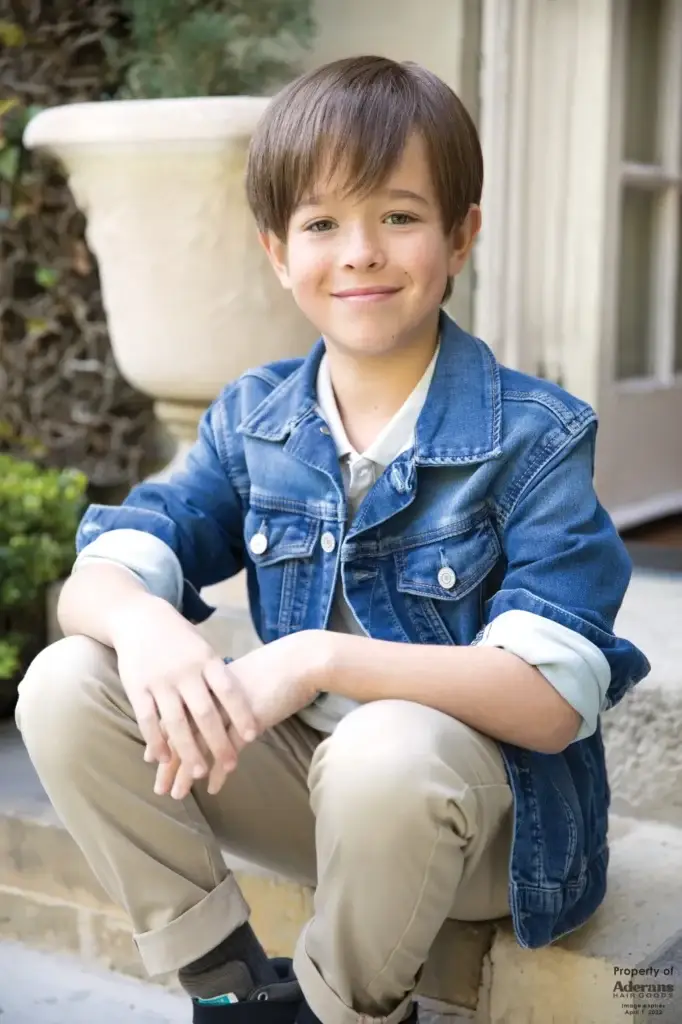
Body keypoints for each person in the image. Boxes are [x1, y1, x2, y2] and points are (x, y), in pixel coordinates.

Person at [16, 55, 649, 1024]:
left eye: (397, 216)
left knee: (383, 748)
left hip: (479, 822)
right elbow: (103, 568)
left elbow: (551, 701)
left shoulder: (533, 435)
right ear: (278, 250)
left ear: (459, 236)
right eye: (321, 222)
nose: (359, 251)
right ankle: (229, 990)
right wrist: (147, 625)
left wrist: (316, 656)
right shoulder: (258, 419)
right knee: (68, 681)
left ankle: (338, 1011)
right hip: (315, 799)